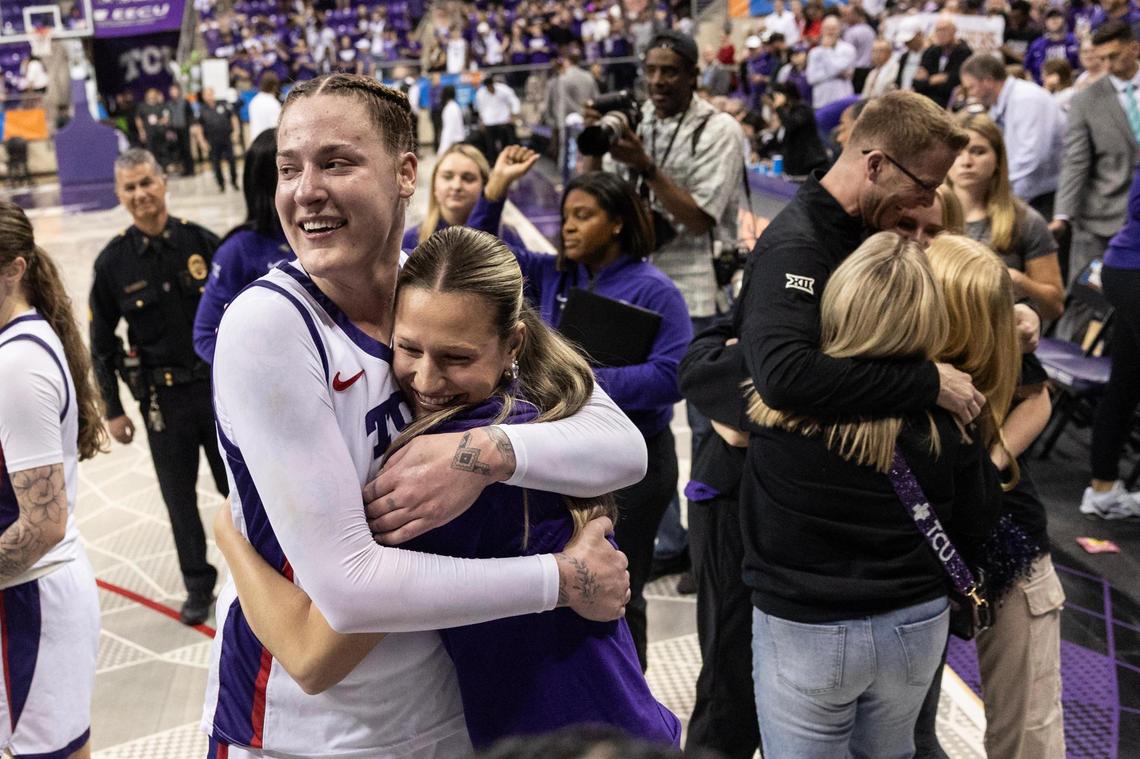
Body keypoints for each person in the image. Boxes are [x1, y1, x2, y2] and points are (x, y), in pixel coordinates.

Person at [201, 74, 644, 757]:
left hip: (448, 701)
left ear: (407, 171)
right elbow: (347, 593)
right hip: (309, 730)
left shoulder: (441, 285)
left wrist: (486, 454)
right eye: (290, 168)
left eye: (337, 162)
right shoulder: (270, 324)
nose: (305, 189)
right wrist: (561, 579)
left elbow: (621, 443)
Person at [743, 232, 1004, 758]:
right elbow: (980, 520)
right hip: (914, 623)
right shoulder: (949, 419)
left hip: (805, 626)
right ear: (930, 316)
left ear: (836, 303)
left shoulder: (777, 415)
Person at [505, 159, 692, 670]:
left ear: (616, 223)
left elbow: (674, 375)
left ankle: (633, 713)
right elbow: (480, 263)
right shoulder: (552, 272)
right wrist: (494, 191)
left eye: (583, 215)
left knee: (619, 589)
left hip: (636, 465)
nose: (567, 225)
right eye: (566, 215)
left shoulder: (654, 289)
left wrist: (576, 380)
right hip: (568, 459)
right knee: (574, 587)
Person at [579, 28, 745, 580]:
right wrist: (597, 149)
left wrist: (647, 166)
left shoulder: (718, 129)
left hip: (696, 290)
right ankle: (671, 536)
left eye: (670, 71)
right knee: (639, 419)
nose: (657, 81)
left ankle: (709, 544)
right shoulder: (635, 121)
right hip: (633, 291)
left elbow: (699, 216)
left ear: (695, 75)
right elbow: (603, 203)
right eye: (650, 70)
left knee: (704, 424)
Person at [925, 235, 1067, 759]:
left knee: (1029, 728)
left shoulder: (998, 319)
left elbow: (1036, 397)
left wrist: (988, 464)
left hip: (1010, 542)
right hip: (916, 553)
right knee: (903, 726)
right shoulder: (894, 345)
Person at [89, 148, 229, 626]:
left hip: (218, 392)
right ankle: (197, 585)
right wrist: (113, 409)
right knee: (179, 499)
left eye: (146, 182)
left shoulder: (202, 243)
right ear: (119, 196)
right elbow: (101, 345)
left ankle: (261, 574)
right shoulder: (113, 265)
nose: (140, 194)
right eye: (129, 188)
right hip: (162, 402)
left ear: (163, 182)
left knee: (241, 488)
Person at [0, 200, 104, 759]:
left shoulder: (17, 365)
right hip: (24, 598)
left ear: (14, 269)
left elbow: (42, 524)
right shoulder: (17, 344)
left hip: (31, 601)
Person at [948, 113, 1065, 321]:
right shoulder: (925, 215)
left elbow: (1054, 307)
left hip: (1001, 340)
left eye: (978, 151)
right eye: (958, 153)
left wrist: (1019, 282)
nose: (966, 161)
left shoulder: (1026, 221)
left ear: (998, 159)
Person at [1052, 20, 1140, 285]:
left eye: (1114, 56)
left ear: (1134, 49)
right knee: (1085, 297)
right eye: (1102, 58)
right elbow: (1075, 161)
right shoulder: (1084, 101)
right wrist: (1062, 215)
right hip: (1100, 217)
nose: (1108, 65)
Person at [193, 129, 291, 364]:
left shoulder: (330, 235)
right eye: (289, 170)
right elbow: (205, 335)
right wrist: (261, 372)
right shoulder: (238, 251)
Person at [1081, 164, 1140, 518]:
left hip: (1127, 270)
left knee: (1126, 383)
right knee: (1124, 385)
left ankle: (1102, 490)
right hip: (1133, 272)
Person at [958, 53, 1064, 219]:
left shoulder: (1027, 99)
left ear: (987, 81)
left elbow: (1032, 156)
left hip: (1046, 197)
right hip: (1027, 191)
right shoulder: (998, 106)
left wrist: (999, 188)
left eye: (971, 87)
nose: (971, 95)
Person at [403, 143, 522, 251]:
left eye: (468, 178)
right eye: (447, 177)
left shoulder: (507, 236)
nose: (456, 186)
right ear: (434, 185)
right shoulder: (411, 240)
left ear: (485, 186)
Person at [761, 82, 829, 176]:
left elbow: (791, 124)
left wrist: (779, 107)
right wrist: (760, 153)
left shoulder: (802, 109)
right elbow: (777, 141)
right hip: (795, 167)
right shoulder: (786, 113)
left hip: (811, 165)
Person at [914, 17, 972, 109]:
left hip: (951, 104)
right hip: (927, 103)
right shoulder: (930, 51)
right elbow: (917, 83)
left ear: (954, 32)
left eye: (944, 30)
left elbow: (955, 82)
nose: (940, 34)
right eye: (937, 30)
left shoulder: (964, 52)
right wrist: (933, 80)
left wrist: (928, 81)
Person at [194, 87, 240, 193]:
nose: (208, 96)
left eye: (210, 93)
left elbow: (233, 118)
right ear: (203, 97)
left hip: (226, 138)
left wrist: (236, 132)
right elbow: (198, 127)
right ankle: (221, 184)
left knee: (232, 161)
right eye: (206, 94)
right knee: (216, 163)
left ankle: (234, 182)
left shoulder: (223, 104)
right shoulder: (201, 110)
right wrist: (202, 141)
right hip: (212, 140)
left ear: (213, 93)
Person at [806, 16, 855, 109]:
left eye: (834, 29)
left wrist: (826, 50)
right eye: (827, 28)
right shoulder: (814, 52)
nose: (830, 32)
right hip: (821, 101)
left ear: (840, 30)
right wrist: (838, 74)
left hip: (843, 99)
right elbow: (811, 79)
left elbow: (834, 70)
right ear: (822, 30)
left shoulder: (848, 49)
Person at [1025, 9, 1081, 85]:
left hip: (1070, 85)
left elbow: (1081, 65)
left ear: (1064, 20)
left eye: (1058, 16)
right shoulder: (1037, 44)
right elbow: (1027, 68)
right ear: (1045, 22)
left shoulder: (1074, 40)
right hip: (1042, 87)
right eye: (1050, 17)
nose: (1054, 20)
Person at [473, 76, 520, 164]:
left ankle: (507, 161)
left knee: (505, 144)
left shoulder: (504, 90)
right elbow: (480, 108)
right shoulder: (480, 93)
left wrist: (514, 114)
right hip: (489, 122)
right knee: (490, 145)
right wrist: (482, 121)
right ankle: (493, 163)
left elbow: (514, 101)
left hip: (503, 121)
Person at [166, 83, 195, 177]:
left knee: (187, 149)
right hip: (174, 130)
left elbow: (190, 115)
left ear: (178, 91)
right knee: (179, 150)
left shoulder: (185, 102)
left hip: (184, 129)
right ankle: (184, 170)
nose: (173, 92)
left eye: (174, 90)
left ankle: (191, 170)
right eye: (171, 91)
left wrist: (191, 126)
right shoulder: (169, 104)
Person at [247, 71, 282, 144]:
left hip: (255, 142)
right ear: (274, 86)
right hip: (269, 144)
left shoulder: (254, 101)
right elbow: (276, 126)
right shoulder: (273, 103)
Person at [438, 84, 466, 156]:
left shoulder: (450, 108)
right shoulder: (453, 106)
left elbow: (449, 129)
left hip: (454, 143)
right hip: (456, 141)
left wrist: (443, 148)